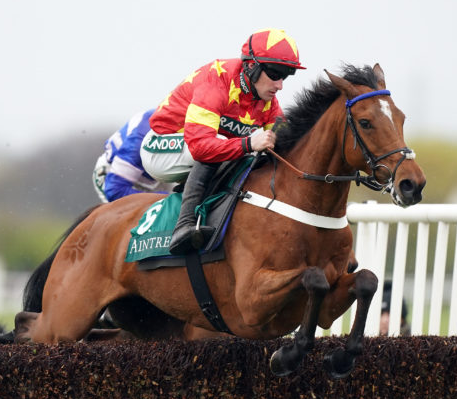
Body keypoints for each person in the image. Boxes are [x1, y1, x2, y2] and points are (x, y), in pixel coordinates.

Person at [140, 28, 306, 254]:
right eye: (275, 73)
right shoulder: (216, 81)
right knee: (231, 146)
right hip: (161, 148)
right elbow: (201, 148)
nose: (280, 85)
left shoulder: (267, 101)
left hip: (196, 152)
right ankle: (184, 225)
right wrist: (248, 143)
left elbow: (288, 149)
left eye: (286, 76)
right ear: (251, 66)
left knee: (255, 155)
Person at [92, 109, 174, 203]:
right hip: (114, 178)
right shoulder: (140, 140)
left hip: (155, 178)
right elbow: (115, 191)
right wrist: (166, 199)